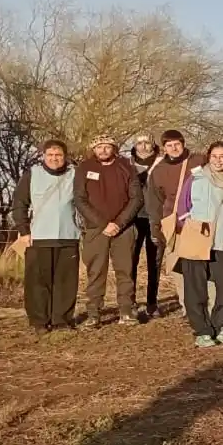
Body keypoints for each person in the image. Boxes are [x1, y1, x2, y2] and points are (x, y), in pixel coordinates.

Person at [176, 142, 223, 348]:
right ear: (208, 157)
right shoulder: (196, 177)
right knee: (195, 289)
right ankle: (202, 331)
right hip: (197, 238)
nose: (218, 160)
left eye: (222, 156)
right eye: (214, 156)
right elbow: (182, 206)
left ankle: (220, 327)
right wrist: (191, 225)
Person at [12, 140, 81, 334]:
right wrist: (24, 230)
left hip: (68, 236)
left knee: (65, 282)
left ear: (65, 156)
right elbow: (19, 204)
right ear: (43, 156)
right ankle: (39, 322)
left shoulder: (75, 174)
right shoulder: (32, 175)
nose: (54, 158)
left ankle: (62, 321)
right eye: (50, 155)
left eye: (58, 155)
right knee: (37, 282)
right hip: (38, 237)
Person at [73, 135, 142, 328]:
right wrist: (104, 224)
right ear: (93, 150)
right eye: (99, 147)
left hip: (124, 228)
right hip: (96, 229)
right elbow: (80, 199)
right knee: (95, 271)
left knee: (125, 270)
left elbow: (136, 198)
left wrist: (119, 223)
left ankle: (127, 311)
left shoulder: (126, 166)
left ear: (114, 148)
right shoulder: (84, 168)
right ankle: (94, 313)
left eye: (107, 147)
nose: (103, 150)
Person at [146, 129, 204, 316]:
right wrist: (157, 226)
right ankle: (187, 305)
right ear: (164, 148)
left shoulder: (199, 161)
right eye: (169, 145)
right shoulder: (159, 171)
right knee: (177, 265)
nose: (174, 148)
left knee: (201, 262)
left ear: (183, 143)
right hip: (172, 222)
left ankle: (205, 302)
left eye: (177, 144)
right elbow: (154, 201)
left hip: (198, 219)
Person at [128, 134, 161, 318]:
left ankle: (152, 302)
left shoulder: (161, 163)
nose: (143, 146)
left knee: (154, 262)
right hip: (134, 218)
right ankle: (130, 301)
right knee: (130, 261)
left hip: (155, 218)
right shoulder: (127, 164)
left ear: (153, 144)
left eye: (146, 142)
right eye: (139, 143)